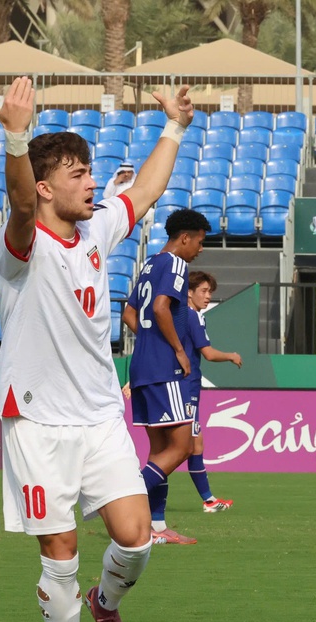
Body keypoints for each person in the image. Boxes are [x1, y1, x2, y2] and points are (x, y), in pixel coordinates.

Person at [0, 77, 193, 622]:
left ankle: (106, 604)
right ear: (48, 186)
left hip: (99, 414)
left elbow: (148, 189)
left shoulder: (97, 231)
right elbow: (21, 205)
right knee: (62, 551)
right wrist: (17, 137)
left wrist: (175, 127)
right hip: (38, 421)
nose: (91, 183)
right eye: (78, 174)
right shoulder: (21, 246)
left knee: (135, 538)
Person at [122, 209, 210, 545]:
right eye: (199, 242)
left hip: (142, 366)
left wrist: (150, 341)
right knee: (183, 447)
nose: (200, 249)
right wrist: (175, 349)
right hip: (163, 369)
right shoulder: (175, 264)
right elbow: (160, 307)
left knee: (160, 450)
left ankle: (155, 528)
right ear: (184, 237)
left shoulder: (149, 264)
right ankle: (125, 505)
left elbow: (130, 312)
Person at [183, 270, 243, 512]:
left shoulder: (181, 316)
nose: (208, 296)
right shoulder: (192, 317)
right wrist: (231, 355)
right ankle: (140, 492)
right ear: (189, 292)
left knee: (194, 446)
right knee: (182, 449)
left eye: (210, 292)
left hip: (186, 387)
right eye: (204, 291)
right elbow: (207, 353)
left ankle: (209, 500)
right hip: (185, 389)